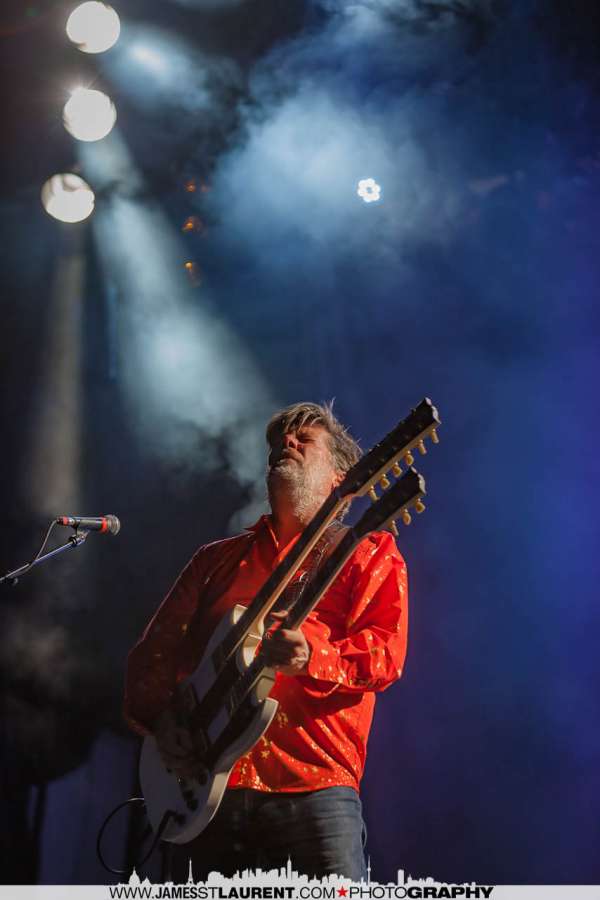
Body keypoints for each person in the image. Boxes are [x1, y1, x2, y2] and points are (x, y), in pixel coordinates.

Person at [124, 402, 408, 882]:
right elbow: (153, 654)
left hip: (314, 787)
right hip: (208, 796)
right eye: (280, 441)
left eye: (305, 440)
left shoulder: (367, 553)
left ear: (340, 476)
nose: (287, 444)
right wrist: (162, 719)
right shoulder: (215, 560)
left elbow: (385, 654)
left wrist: (314, 655)